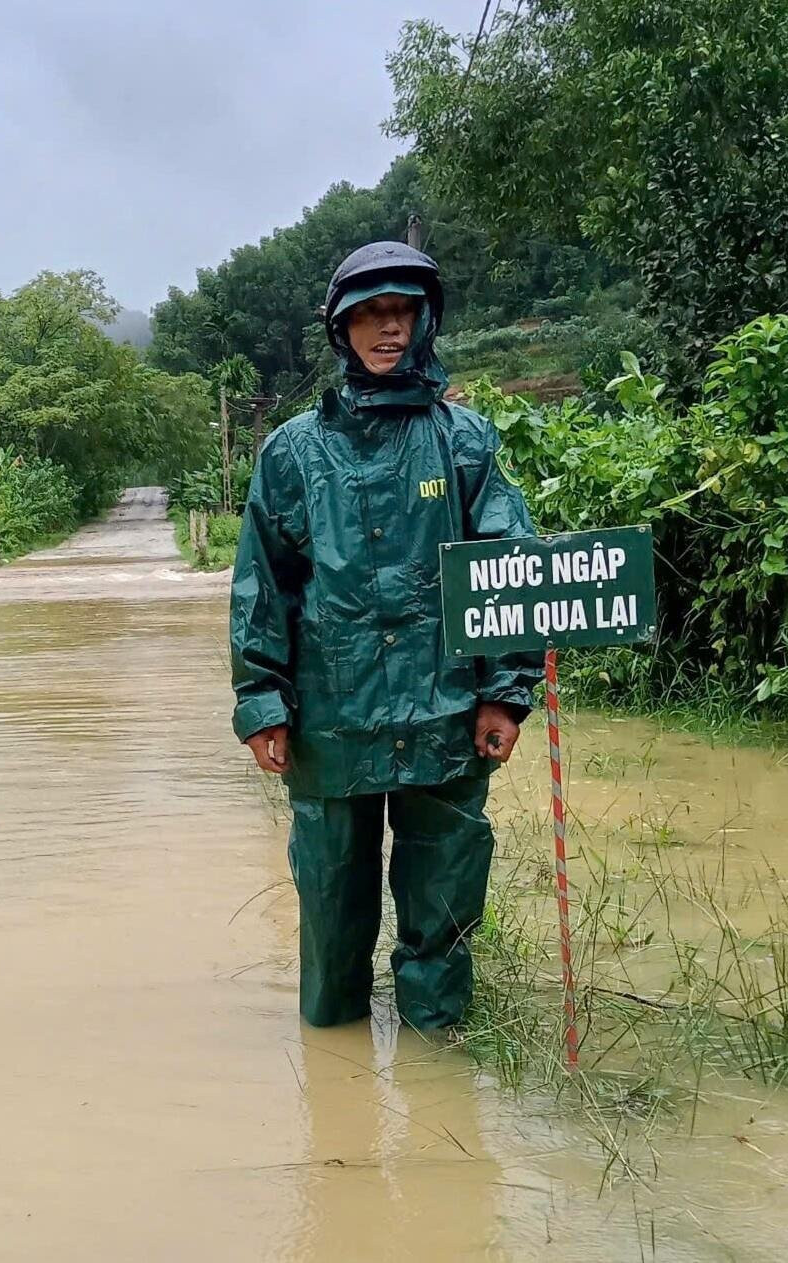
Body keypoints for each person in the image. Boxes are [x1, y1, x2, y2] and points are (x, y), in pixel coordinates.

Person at [228, 240, 543, 1033]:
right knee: (331, 910)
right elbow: (261, 581)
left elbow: (510, 568)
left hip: (446, 717)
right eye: (368, 314)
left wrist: (505, 694)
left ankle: (440, 1070)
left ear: (424, 319)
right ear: (341, 331)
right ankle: (334, 1095)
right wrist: (262, 698)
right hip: (331, 721)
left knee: (443, 904)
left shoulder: (464, 440)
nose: (387, 329)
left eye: (400, 311)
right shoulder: (292, 451)